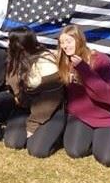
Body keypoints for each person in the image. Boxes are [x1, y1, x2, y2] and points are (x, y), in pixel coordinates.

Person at [57, 25, 110, 167]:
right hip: (81, 116)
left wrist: (84, 69)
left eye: (69, 41)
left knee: (108, 159)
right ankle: (94, 139)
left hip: (108, 116)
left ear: (79, 40)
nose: (65, 46)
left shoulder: (100, 60)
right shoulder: (65, 61)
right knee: (74, 151)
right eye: (62, 42)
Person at [4, 27, 65, 158]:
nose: (8, 44)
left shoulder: (45, 61)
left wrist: (32, 125)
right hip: (26, 107)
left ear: (20, 44)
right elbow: (13, 84)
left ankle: (59, 133)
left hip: (50, 109)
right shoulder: (14, 58)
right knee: (13, 142)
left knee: (37, 150)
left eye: (11, 41)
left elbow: (51, 99)